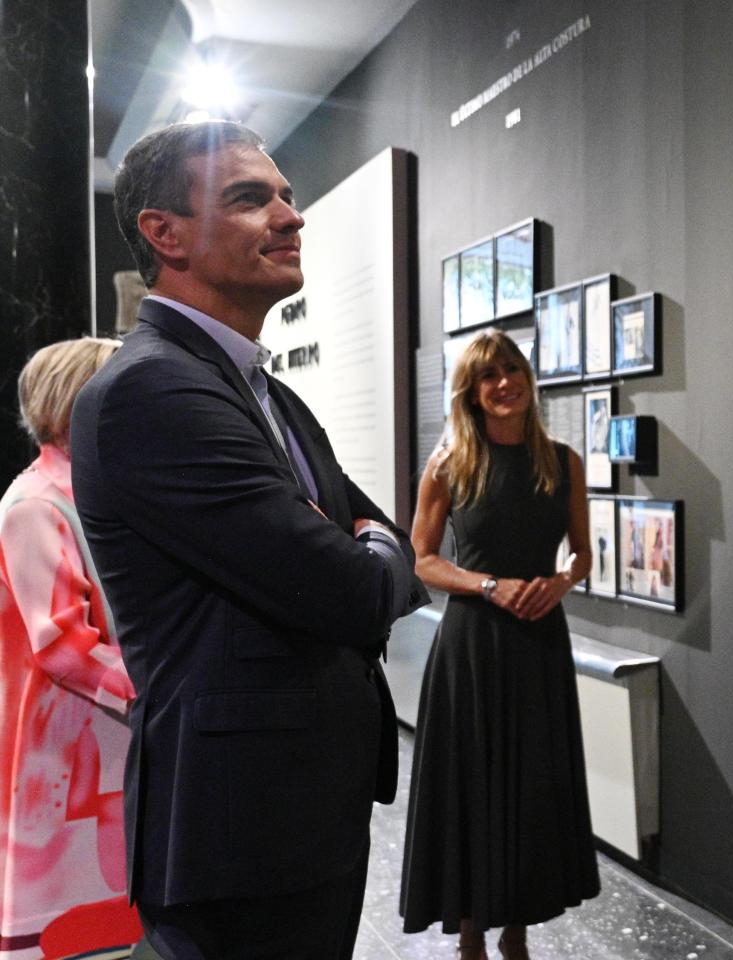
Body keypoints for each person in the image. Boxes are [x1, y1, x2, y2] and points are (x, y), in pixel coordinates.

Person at [71, 120, 428, 960]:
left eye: (287, 196)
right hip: (238, 832)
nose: (290, 216)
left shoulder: (262, 391)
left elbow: (384, 537)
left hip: (296, 813)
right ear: (164, 234)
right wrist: (371, 550)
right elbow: (357, 589)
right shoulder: (154, 390)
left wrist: (371, 545)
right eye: (249, 198)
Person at [401, 329, 600, 958]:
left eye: (513, 369)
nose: (505, 383)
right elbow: (422, 560)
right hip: (473, 646)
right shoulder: (450, 463)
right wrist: (489, 585)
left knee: (531, 785)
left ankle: (517, 931)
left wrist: (560, 583)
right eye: (489, 375)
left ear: (528, 379)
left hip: (539, 642)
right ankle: (470, 935)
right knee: (474, 783)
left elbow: (583, 554)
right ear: (471, 391)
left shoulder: (561, 461)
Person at [1, 338, 138, 958]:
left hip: (106, 739)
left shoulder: (90, 492)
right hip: (68, 752)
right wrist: (160, 691)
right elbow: (62, 646)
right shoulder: (35, 505)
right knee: (75, 931)